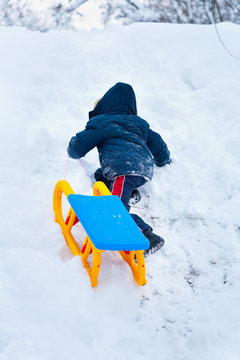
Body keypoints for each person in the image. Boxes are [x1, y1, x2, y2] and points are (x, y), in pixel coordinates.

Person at [67, 82, 171, 255]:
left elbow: (80, 145)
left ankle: (146, 235)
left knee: (115, 212)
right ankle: (128, 192)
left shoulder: (102, 122)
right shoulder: (139, 124)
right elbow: (158, 144)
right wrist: (163, 159)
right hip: (143, 169)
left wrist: (72, 149)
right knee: (101, 175)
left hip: (123, 170)